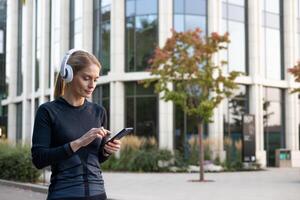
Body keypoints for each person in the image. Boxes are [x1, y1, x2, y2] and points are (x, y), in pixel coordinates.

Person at [31, 49, 121, 200]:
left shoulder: (99, 112)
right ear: (69, 75)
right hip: (63, 194)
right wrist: (78, 143)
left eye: (96, 79)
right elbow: (39, 159)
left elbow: (96, 158)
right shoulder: (47, 111)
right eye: (86, 78)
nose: (92, 84)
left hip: (98, 194)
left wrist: (106, 151)